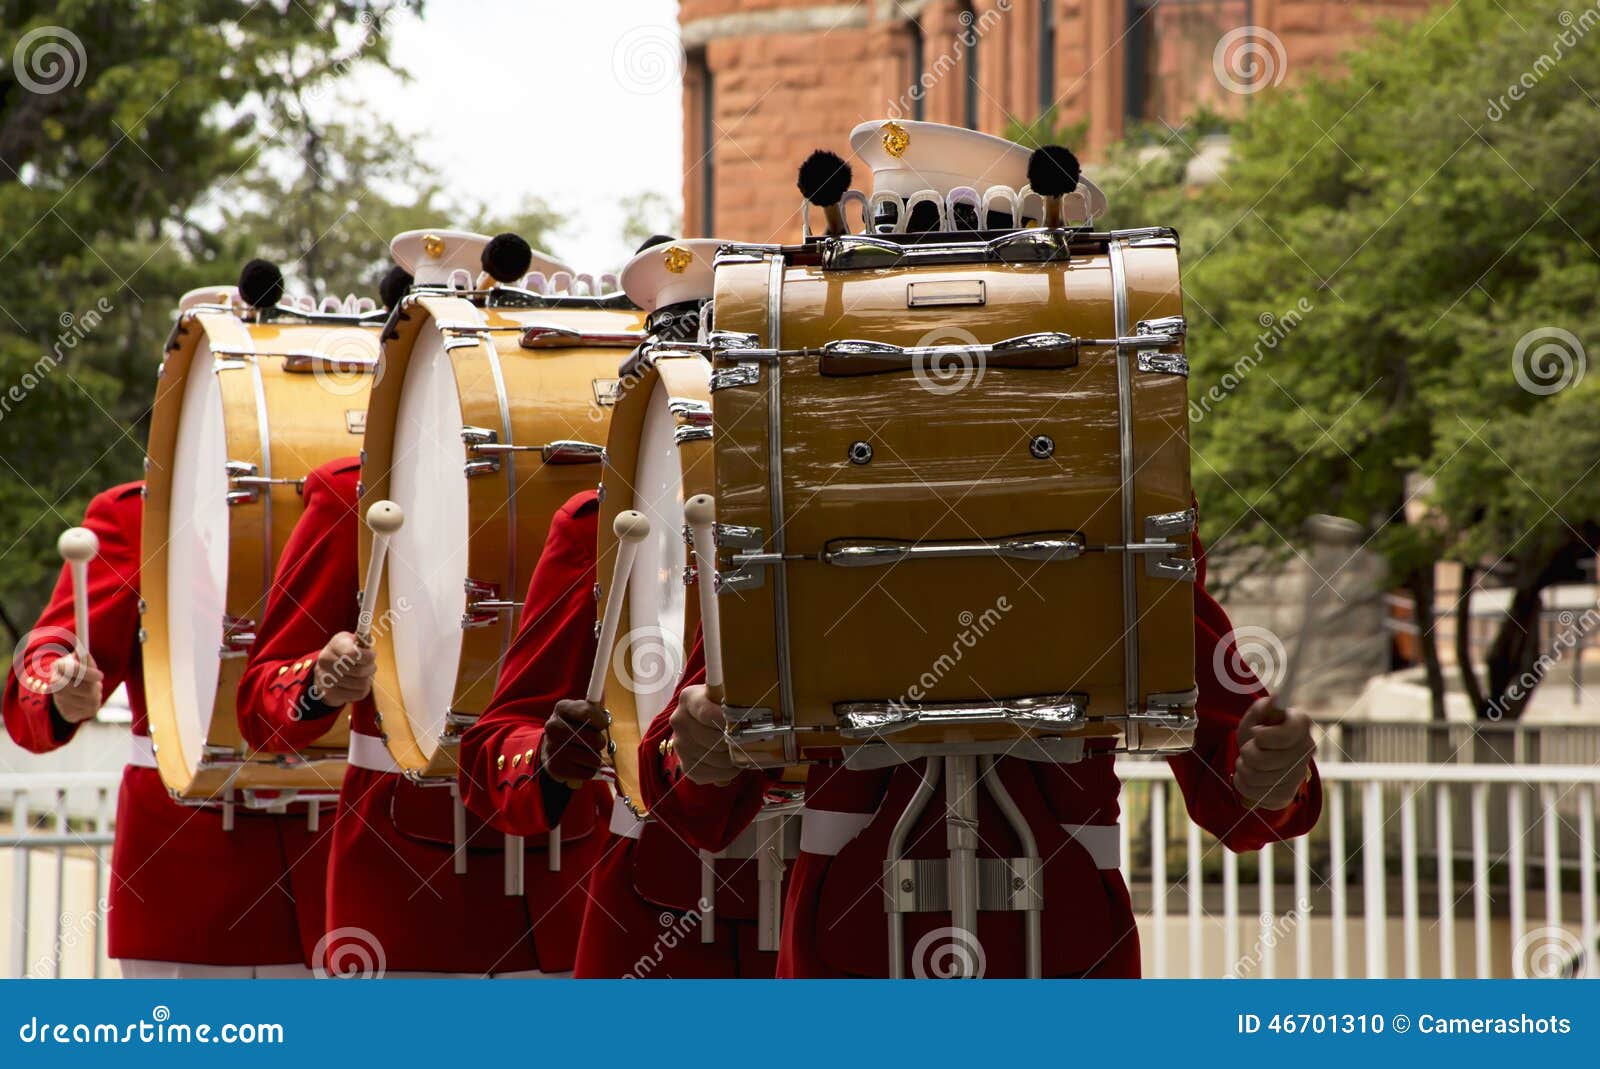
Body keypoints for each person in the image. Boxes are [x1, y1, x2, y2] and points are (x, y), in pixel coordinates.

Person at [647, 123, 1322, 978]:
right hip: (855, 937)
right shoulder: (781, 490)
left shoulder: (1122, 496)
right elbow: (694, 790)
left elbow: (1237, 780)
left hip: (1059, 941)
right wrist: (698, 745)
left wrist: (1268, 768)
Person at [235, 232, 605, 977]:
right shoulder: (352, 493)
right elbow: (258, 696)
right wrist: (317, 678)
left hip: (574, 861)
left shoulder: (586, 490)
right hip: (406, 873)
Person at [458, 235, 787, 978]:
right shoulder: (599, 522)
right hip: (653, 922)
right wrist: (547, 759)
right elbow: (491, 743)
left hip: (835, 908)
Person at [3, 476, 330, 977]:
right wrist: (58, 689)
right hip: (188, 863)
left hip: (341, 864)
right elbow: (53, 649)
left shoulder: (355, 493)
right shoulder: (139, 514)